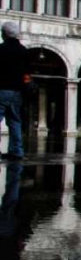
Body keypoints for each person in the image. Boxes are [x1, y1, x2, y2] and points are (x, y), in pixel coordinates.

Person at [0, 22, 29, 161]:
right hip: (17, 91)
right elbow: (27, 73)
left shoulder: (1, 49)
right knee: (15, 122)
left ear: (4, 34)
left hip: (1, 89)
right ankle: (17, 151)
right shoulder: (24, 51)